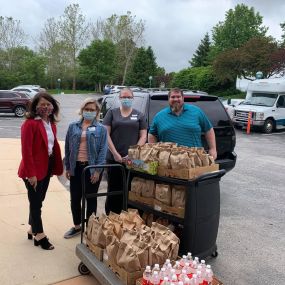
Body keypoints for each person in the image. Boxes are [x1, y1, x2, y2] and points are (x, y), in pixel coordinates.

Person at [18, 92, 63, 250]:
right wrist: (31, 174)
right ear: (35, 106)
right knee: (36, 203)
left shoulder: (51, 123)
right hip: (33, 170)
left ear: (53, 106)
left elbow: (51, 146)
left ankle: (32, 228)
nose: (45, 107)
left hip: (47, 167)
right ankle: (40, 234)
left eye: (48, 104)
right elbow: (26, 151)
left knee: (38, 200)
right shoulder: (29, 124)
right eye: (42, 104)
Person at [64, 98, 108, 239]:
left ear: (97, 112)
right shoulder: (73, 126)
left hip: (92, 168)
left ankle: (90, 228)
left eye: (92, 110)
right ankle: (77, 226)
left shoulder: (101, 129)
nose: (89, 112)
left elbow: (103, 150)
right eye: (86, 109)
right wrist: (68, 167)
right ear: (82, 110)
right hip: (76, 168)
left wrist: (97, 170)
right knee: (75, 198)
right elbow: (67, 148)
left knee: (91, 199)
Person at [103, 88, 147, 214]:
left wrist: (132, 153)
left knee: (132, 189)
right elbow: (106, 134)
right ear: (119, 98)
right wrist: (115, 154)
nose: (126, 99)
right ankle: (112, 218)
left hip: (134, 160)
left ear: (133, 98)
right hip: (114, 159)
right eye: (123, 97)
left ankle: (129, 219)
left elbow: (144, 136)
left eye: (128, 97)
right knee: (113, 189)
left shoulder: (140, 115)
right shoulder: (112, 113)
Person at [148, 87, 217, 159]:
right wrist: (154, 152)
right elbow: (152, 134)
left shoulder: (196, 111)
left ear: (183, 98)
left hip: (195, 159)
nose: (175, 99)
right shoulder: (159, 116)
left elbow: (209, 130)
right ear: (168, 99)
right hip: (169, 161)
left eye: (178, 97)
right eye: (173, 97)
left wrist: (213, 149)